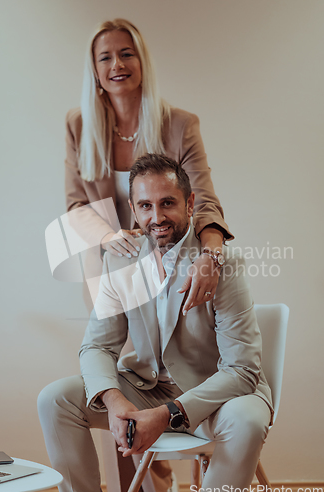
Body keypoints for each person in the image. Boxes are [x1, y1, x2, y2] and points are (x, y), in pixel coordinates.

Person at [38, 154, 273, 492]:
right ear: (133, 209)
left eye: (167, 203)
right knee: (55, 399)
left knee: (248, 420)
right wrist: (116, 402)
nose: (157, 217)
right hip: (146, 387)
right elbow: (97, 347)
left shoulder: (221, 262)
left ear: (190, 203)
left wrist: (166, 415)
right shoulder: (119, 259)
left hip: (217, 395)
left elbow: (242, 369)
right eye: (145, 205)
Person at [65, 17, 234, 313]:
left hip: (170, 272)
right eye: (105, 57)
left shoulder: (180, 125)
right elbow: (76, 206)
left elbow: (204, 201)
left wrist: (212, 254)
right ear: (95, 71)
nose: (117, 64)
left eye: (126, 54)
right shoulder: (78, 125)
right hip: (107, 277)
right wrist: (107, 238)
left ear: (142, 62)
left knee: (168, 359)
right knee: (107, 356)